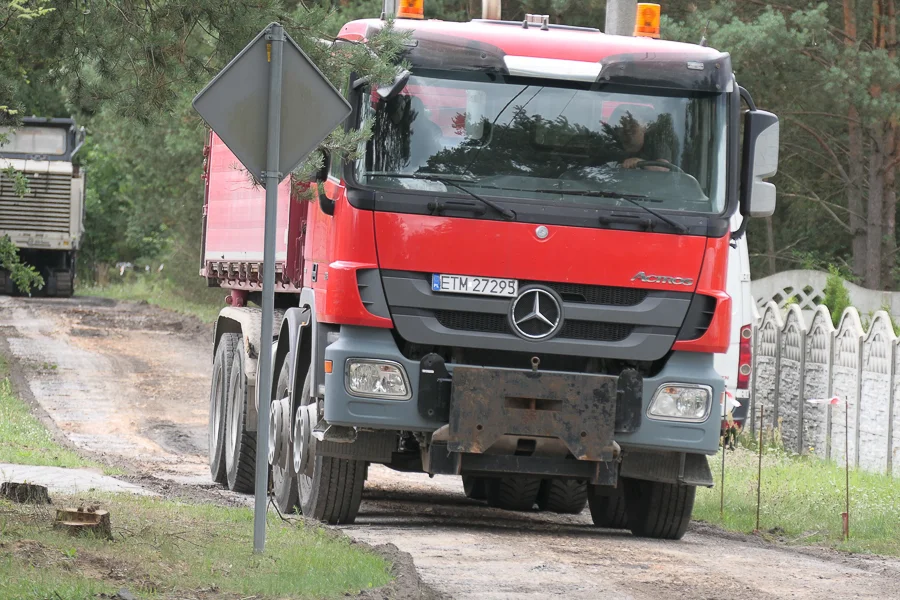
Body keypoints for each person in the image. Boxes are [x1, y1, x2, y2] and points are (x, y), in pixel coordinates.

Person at [607, 105, 674, 171]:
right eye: (622, 127)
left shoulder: (656, 143)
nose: (627, 132)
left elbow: (664, 168)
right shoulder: (610, 144)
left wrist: (639, 162)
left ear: (644, 128)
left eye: (632, 128)